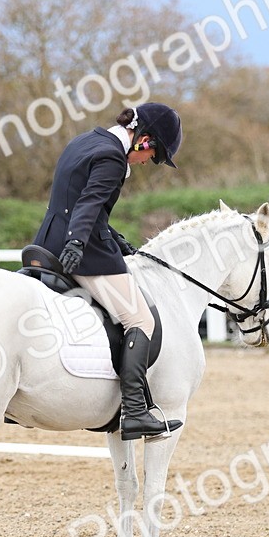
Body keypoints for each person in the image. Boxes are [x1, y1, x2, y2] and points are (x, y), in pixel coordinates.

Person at [31, 102, 184, 440]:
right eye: (153, 155)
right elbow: (87, 205)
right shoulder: (113, 157)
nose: (146, 162)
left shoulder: (85, 140)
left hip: (47, 240)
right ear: (144, 139)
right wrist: (77, 243)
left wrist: (118, 240)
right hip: (84, 252)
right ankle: (135, 410)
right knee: (140, 319)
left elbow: (77, 202)